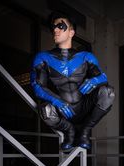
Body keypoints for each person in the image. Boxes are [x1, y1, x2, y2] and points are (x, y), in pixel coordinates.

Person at [30, 11, 115, 152]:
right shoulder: (43, 57)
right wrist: (57, 101)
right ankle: (69, 131)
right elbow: (37, 86)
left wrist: (94, 81)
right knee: (45, 109)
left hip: (83, 106)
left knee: (108, 93)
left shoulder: (86, 57)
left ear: (71, 32)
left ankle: (85, 131)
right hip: (62, 111)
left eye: (60, 26)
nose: (55, 30)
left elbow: (103, 78)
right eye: (53, 27)